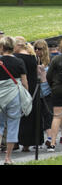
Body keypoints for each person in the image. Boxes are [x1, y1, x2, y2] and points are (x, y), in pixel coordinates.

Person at [0, 36, 29, 165]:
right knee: (13, 126)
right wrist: (26, 95)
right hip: (14, 96)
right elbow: (24, 82)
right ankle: (8, 157)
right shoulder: (19, 62)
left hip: (0, 96)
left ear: (2, 47)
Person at [13, 37, 43, 152]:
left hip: (21, 88)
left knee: (18, 116)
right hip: (33, 88)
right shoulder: (32, 56)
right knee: (31, 116)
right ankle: (27, 144)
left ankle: (15, 142)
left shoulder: (17, 58)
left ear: (17, 46)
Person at [34, 40, 53, 149]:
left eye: (39, 48)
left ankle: (50, 139)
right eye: (35, 48)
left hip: (48, 93)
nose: (37, 50)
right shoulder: (33, 60)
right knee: (37, 117)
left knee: (48, 116)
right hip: (36, 92)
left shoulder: (49, 62)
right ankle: (38, 140)